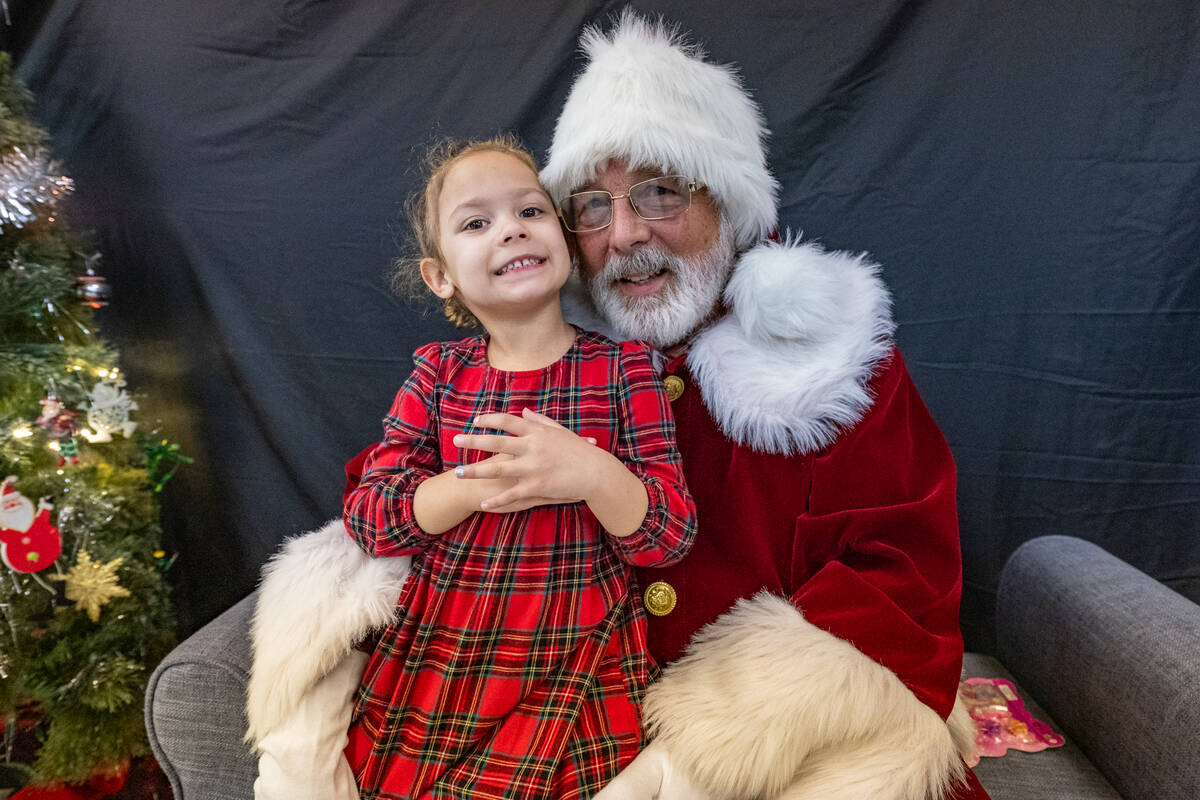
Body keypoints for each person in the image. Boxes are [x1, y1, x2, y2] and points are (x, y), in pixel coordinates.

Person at [247, 10, 987, 800]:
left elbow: (903, 572)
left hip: (710, 741)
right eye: (593, 206)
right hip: (504, 693)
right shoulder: (524, 350)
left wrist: (711, 738)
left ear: (729, 207)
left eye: (659, 192)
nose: (625, 234)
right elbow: (388, 493)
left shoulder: (829, 366)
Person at [343, 136, 696, 799]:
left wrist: (591, 473)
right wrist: (472, 482)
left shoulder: (624, 371)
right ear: (440, 275)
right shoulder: (440, 376)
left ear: (561, 239)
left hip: (577, 652)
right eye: (477, 223)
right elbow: (372, 516)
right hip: (451, 654)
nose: (510, 230)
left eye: (529, 212)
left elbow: (669, 534)